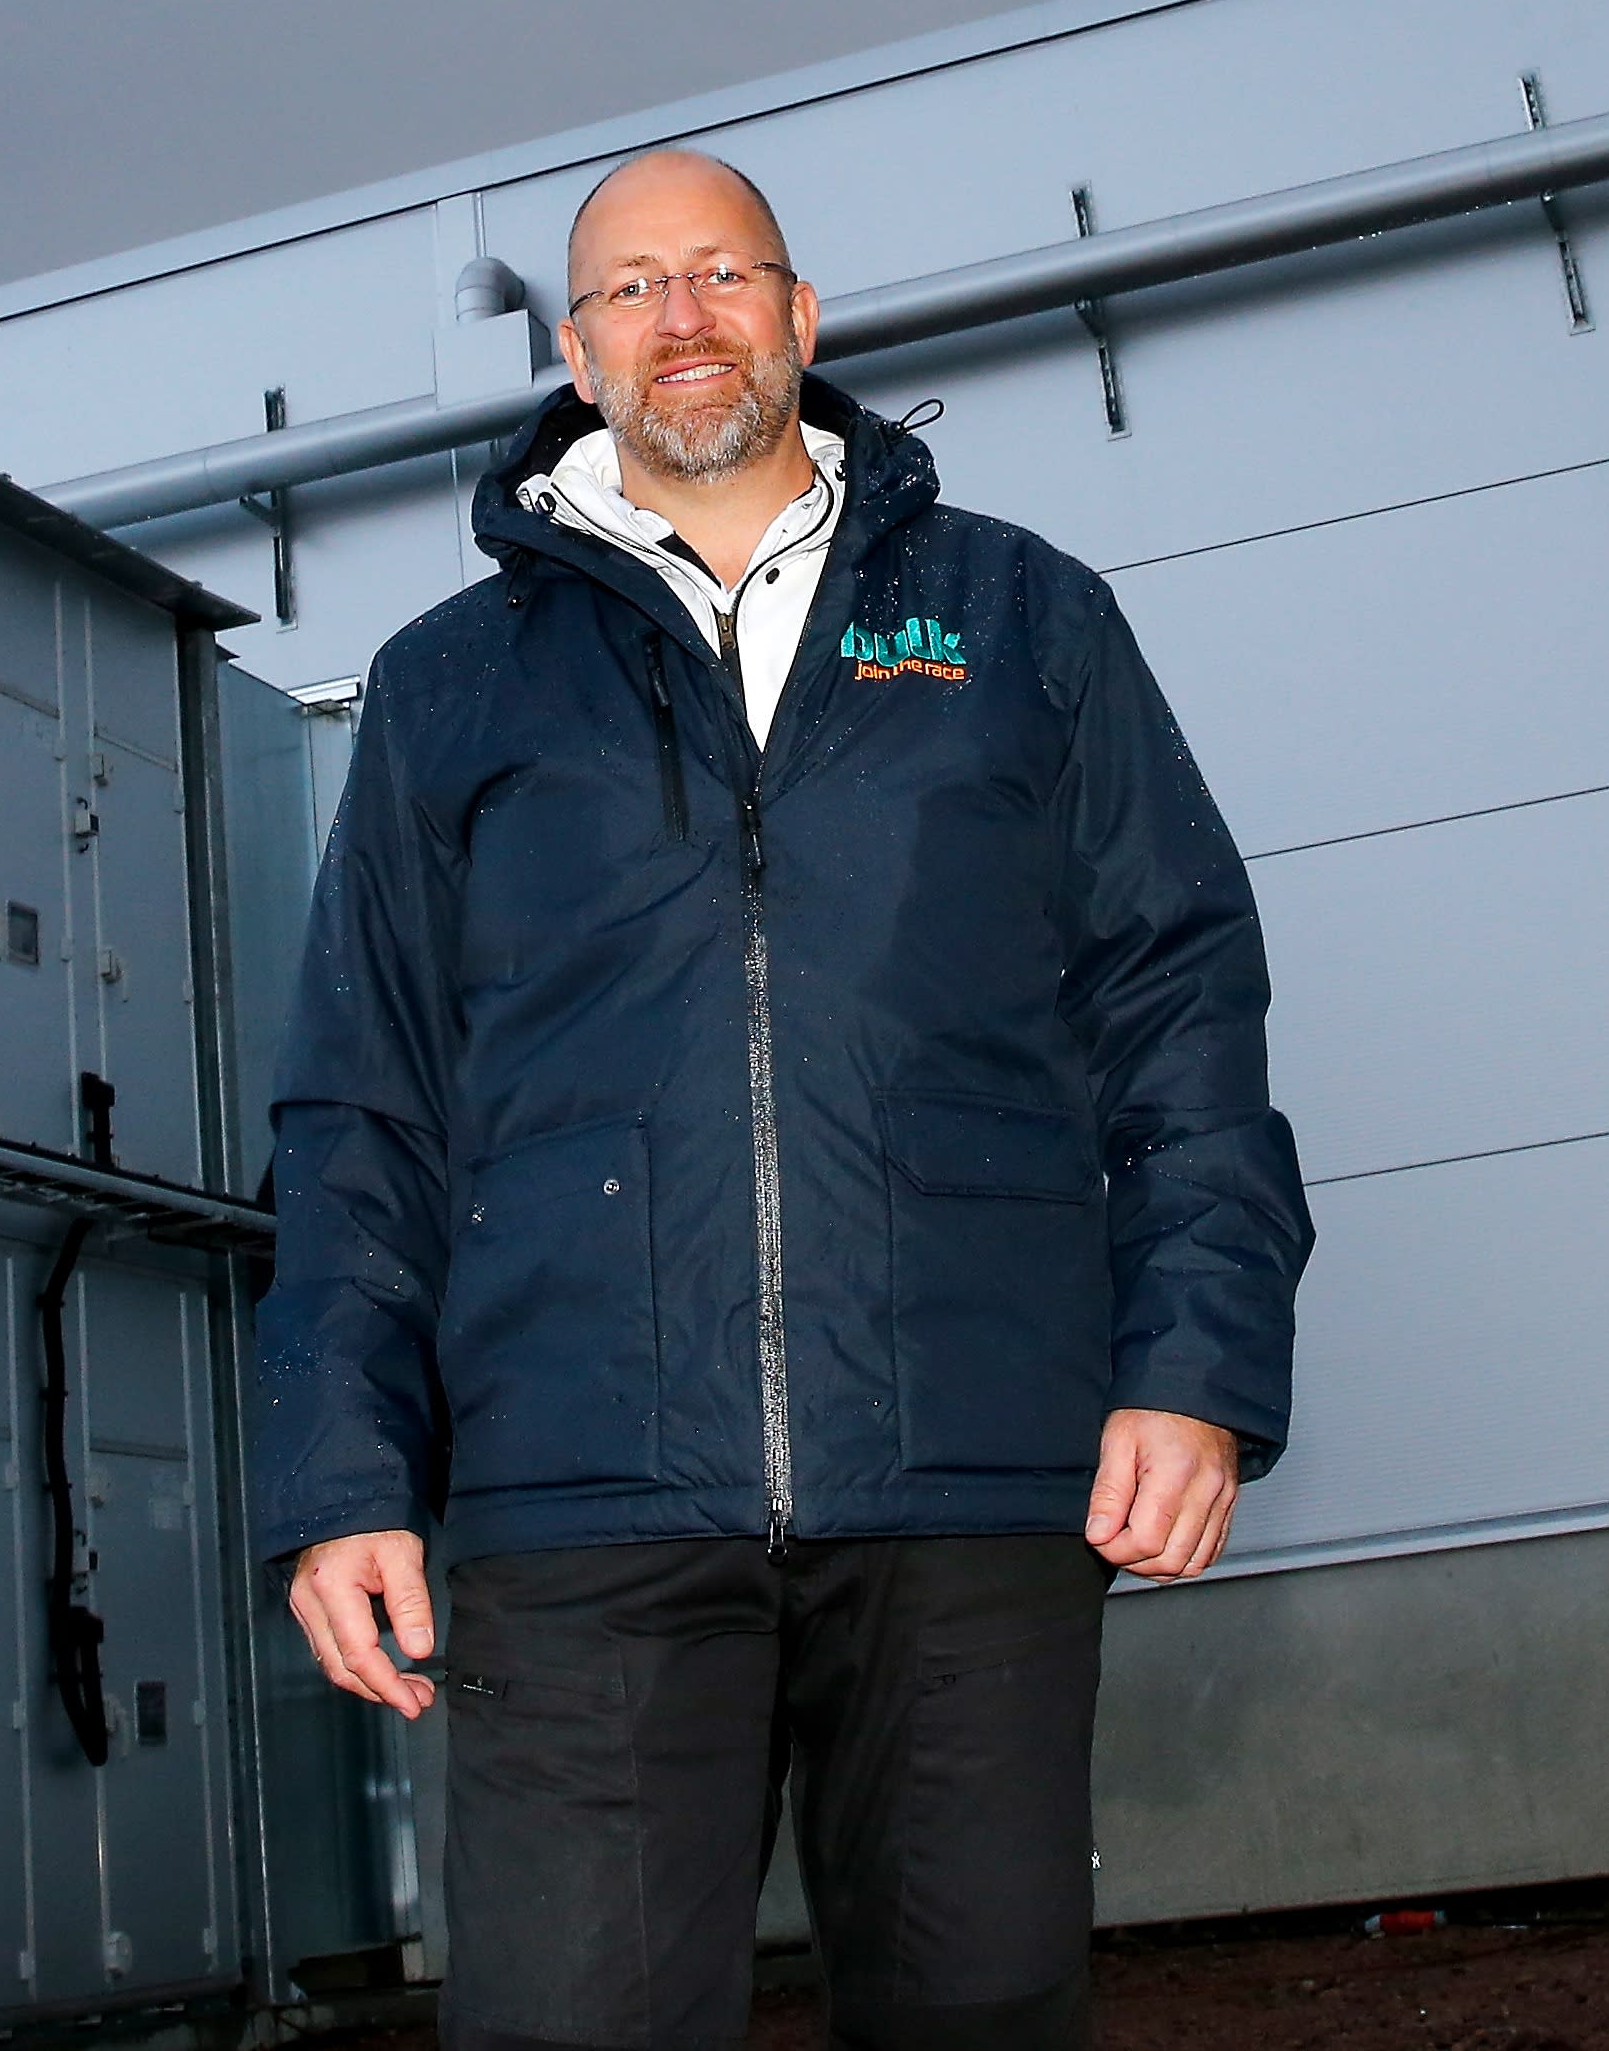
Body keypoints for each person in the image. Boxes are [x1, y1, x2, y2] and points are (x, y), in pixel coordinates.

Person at [256, 146, 1311, 2051]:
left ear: (800, 317)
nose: (684, 317)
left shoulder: (1023, 618)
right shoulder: (450, 685)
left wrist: (1197, 1366)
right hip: (580, 1495)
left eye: (725, 273)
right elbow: (364, 1110)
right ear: (577, 354)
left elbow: (1179, 1006)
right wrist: (344, 1477)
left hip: (965, 1474)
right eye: (632, 288)